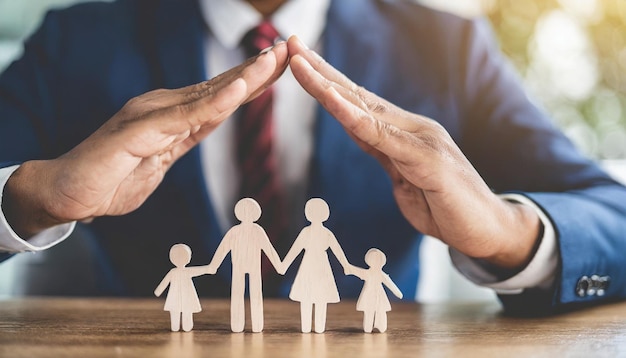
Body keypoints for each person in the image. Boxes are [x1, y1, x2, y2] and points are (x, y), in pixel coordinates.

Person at [0, 0, 625, 316]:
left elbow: (614, 220)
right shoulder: (76, 40)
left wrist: (506, 233)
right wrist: (29, 198)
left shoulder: (447, 49)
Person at [206, 198, 283, 333]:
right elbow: (223, 249)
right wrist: (214, 265)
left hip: (252, 267)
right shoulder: (235, 231)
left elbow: (268, 248)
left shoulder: (256, 231)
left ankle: (257, 324)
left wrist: (278, 265)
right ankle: (238, 324)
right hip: (239, 266)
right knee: (239, 295)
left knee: (255, 295)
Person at [280, 198, 352, 333]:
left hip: (318, 267)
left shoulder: (321, 233)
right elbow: (295, 250)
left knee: (318, 298)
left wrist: (346, 265)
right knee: (310, 297)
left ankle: (317, 326)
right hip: (312, 265)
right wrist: (284, 265)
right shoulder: (311, 233)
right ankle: (309, 327)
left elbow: (337, 251)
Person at [154, 243, 209, 332]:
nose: (179, 258)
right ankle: (176, 326)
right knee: (175, 311)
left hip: (186, 296)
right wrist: (158, 291)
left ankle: (187, 326)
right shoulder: (173, 272)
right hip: (174, 296)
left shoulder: (187, 271)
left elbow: (199, 270)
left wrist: (208, 269)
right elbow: (165, 282)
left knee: (187, 311)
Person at [350, 248, 403, 333]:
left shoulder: (381, 274)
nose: (375, 262)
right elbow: (357, 271)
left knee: (380, 311)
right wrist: (348, 267)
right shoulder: (367, 273)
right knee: (369, 311)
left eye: (377, 259)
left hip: (379, 295)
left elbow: (390, 284)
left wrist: (398, 293)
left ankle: (380, 326)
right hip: (368, 295)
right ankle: (368, 327)